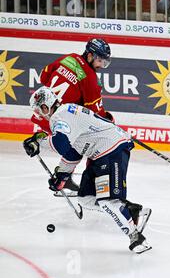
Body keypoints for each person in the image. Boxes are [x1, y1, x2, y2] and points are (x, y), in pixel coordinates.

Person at [23, 87, 152, 254]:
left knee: (108, 201)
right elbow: (72, 152)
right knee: (86, 199)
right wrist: (61, 177)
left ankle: (136, 237)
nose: (40, 115)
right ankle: (131, 210)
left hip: (111, 150)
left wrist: (38, 142)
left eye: (39, 110)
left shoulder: (59, 116)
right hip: (101, 154)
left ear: (45, 106)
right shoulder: (66, 113)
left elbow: (61, 144)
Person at [33, 38, 114, 194]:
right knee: (88, 142)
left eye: (105, 62)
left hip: (42, 115)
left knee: (74, 143)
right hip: (61, 123)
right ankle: (89, 183)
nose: (101, 66)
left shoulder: (68, 58)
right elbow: (96, 115)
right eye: (99, 61)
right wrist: (110, 121)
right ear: (90, 55)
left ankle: (64, 177)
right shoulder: (90, 78)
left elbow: (44, 76)